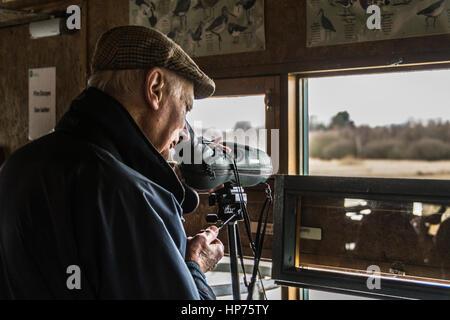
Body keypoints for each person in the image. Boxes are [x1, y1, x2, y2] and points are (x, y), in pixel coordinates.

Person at [0, 26, 224, 299]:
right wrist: (193, 268)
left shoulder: (16, 166)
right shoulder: (131, 195)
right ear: (154, 88)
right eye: (186, 106)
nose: (183, 130)